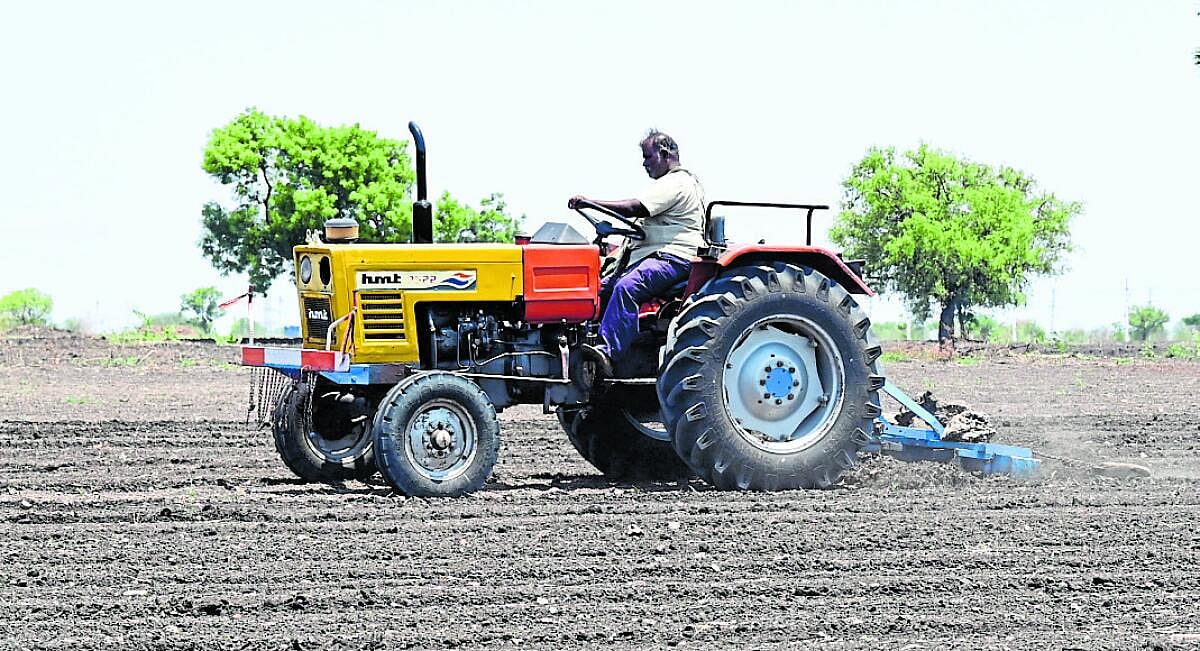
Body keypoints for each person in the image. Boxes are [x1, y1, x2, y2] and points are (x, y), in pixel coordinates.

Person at [568, 129, 706, 377]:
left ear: (664, 154)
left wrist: (591, 202)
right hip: (654, 255)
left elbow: (636, 208)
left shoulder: (677, 182)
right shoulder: (671, 184)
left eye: (648, 157)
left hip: (674, 257)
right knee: (598, 289)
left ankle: (607, 354)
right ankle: (576, 348)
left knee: (627, 287)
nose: (644, 164)